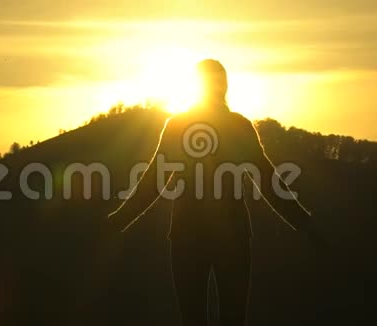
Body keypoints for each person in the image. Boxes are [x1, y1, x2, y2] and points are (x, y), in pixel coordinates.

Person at [108, 59, 320, 326]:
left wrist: (116, 221)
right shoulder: (235, 125)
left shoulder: (182, 125)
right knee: (230, 317)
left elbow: (154, 182)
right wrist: (306, 225)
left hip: (190, 235)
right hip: (228, 236)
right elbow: (268, 182)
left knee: (195, 318)